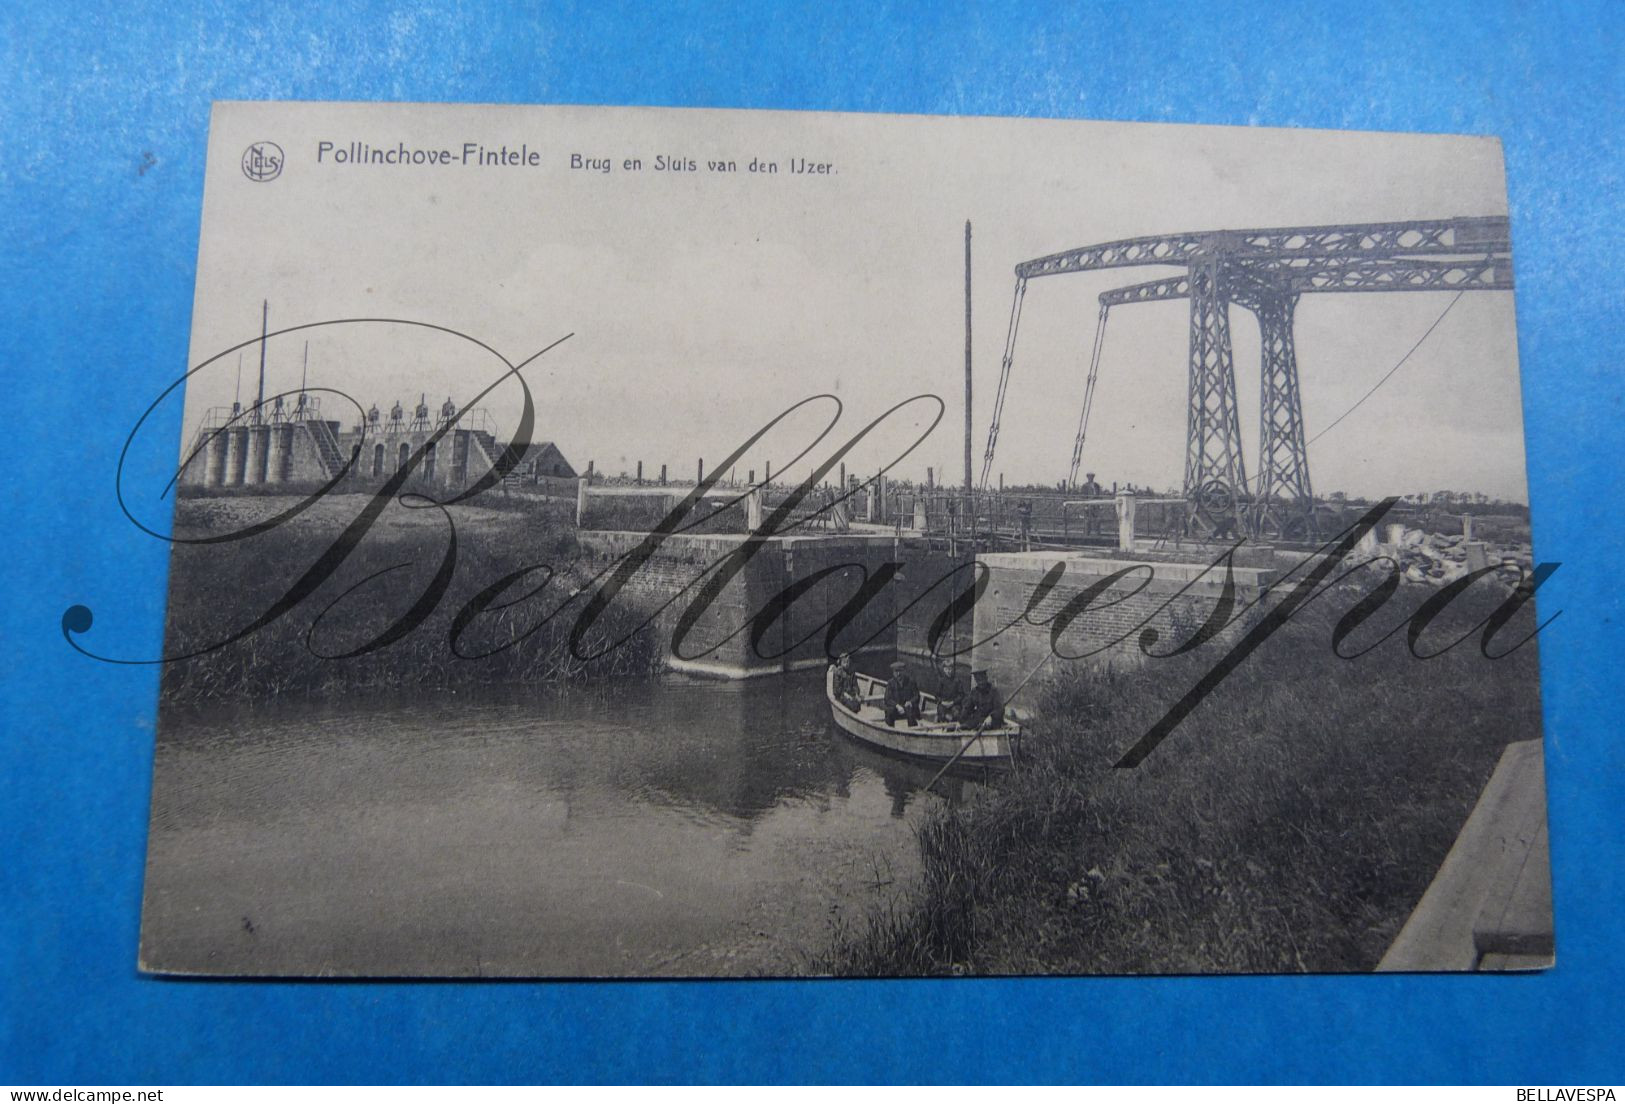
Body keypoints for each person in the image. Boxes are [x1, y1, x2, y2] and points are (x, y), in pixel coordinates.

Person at [883, 660, 921, 727]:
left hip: (907, 707)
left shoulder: (911, 682)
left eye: (900, 671)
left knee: (911, 712)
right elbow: (887, 698)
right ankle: (890, 730)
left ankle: (913, 730)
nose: (898, 674)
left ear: (904, 671)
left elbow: (917, 696)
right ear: (893, 673)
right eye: (896, 671)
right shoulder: (890, 683)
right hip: (896, 708)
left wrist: (910, 702)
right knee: (889, 711)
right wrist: (897, 706)